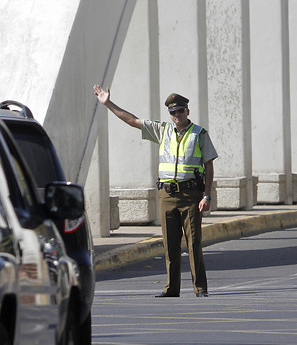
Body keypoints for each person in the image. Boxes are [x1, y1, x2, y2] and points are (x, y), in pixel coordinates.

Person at [93, 85, 218, 297]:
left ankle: (200, 287)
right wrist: (108, 104)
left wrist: (207, 195)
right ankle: (172, 288)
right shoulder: (163, 130)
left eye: (179, 111)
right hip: (167, 195)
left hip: (191, 195)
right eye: (172, 112)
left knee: (194, 241)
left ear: (187, 111)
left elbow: (209, 165)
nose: (176, 115)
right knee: (170, 244)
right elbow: (133, 120)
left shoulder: (199, 133)